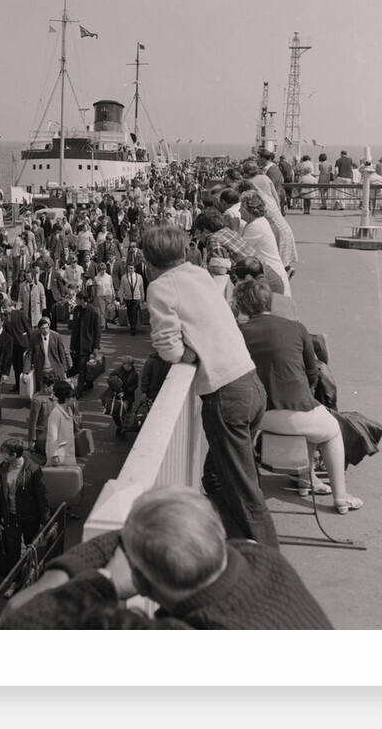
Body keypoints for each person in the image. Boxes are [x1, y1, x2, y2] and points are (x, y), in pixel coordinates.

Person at [0, 487, 331, 630]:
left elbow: (20, 620)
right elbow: (174, 533)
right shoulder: (263, 559)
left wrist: (106, 582)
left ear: (141, 581)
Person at [140, 225, 278, 548]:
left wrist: (186, 352)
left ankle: (269, 569)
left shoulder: (160, 288)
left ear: (149, 261)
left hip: (226, 396)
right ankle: (241, 546)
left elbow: (166, 345)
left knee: (245, 494)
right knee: (219, 479)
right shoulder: (201, 275)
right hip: (252, 385)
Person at [233, 277, 362, 514]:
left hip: (258, 414)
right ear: (268, 302)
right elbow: (313, 373)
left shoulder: (239, 332)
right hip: (296, 408)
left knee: (312, 420)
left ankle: (307, 480)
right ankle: (340, 497)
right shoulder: (296, 328)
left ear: (241, 307)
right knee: (329, 429)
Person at [0, 437, 51, 581]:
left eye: (5, 453)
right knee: (12, 550)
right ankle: (14, 581)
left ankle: (32, 576)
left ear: (14, 455)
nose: (2, 456)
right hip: (11, 517)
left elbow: (41, 496)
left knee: (31, 547)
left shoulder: (33, 470)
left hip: (29, 518)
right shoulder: (3, 467)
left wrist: (45, 519)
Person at [238, 192, 291, 295]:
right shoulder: (259, 222)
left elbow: (239, 251)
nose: (239, 210)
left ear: (246, 209)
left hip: (270, 277)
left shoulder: (255, 226)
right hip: (271, 274)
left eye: (241, 207)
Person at [69, 291, 102, 397]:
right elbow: (73, 328)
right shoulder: (76, 309)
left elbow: (97, 331)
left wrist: (96, 346)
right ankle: (89, 383)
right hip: (77, 343)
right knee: (79, 366)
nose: (75, 301)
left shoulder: (93, 312)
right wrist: (72, 346)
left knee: (82, 367)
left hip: (87, 345)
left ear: (82, 300)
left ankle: (79, 390)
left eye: (77, 299)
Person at [28, 317, 72, 390]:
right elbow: (29, 354)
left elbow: (62, 353)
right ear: (39, 329)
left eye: (46, 328)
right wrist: (26, 371)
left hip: (55, 370)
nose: (45, 330)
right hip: (42, 371)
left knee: (57, 393)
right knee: (43, 393)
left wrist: (64, 369)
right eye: (43, 328)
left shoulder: (56, 336)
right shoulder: (34, 338)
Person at [101, 356, 138, 440]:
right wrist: (118, 390)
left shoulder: (134, 374)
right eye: (128, 366)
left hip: (128, 397)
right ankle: (120, 427)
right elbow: (111, 381)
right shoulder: (117, 372)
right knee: (116, 413)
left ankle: (122, 430)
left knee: (125, 414)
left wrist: (126, 391)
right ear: (123, 365)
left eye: (131, 366)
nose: (130, 368)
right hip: (118, 396)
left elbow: (134, 386)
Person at [44, 380, 78, 466]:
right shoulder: (55, 414)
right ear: (66, 398)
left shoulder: (69, 410)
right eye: (72, 397)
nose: (74, 399)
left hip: (68, 453)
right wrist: (54, 456)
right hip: (60, 457)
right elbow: (52, 436)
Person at [1, 299, 32, 393]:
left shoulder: (19, 314)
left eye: (5, 307)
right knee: (16, 365)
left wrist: (31, 342)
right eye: (3, 308)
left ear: (10, 306)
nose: (4, 310)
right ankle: (18, 385)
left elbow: (28, 327)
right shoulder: (4, 317)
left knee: (24, 365)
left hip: (23, 343)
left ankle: (26, 385)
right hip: (13, 345)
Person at [27, 370, 58, 463]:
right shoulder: (37, 400)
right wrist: (31, 440)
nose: (54, 388)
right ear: (45, 385)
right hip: (42, 437)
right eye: (52, 386)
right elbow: (32, 422)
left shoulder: (54, 397)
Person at [118, 261, 145, 336]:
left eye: (132, 268)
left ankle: (133, 327)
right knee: (130, 313)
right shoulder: (124, 277)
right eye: (129, 268)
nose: (130, 270)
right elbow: (122, 288)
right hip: (128, 298)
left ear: (134, 269)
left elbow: (141, 288)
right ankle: (132, 325)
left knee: (134, 312)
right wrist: (121, 299)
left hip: (137, 297)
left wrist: (143, 298)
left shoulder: (139, 277)